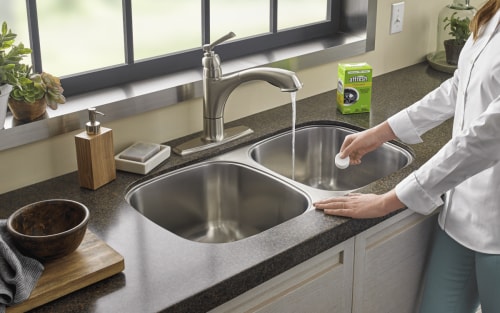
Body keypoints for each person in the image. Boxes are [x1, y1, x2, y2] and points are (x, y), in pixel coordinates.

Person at [313, 1, 500, 312]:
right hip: (460, 216)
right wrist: (381, 132)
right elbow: (458, 88)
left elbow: (485, 138)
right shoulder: (492, 12)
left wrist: (388, 200)